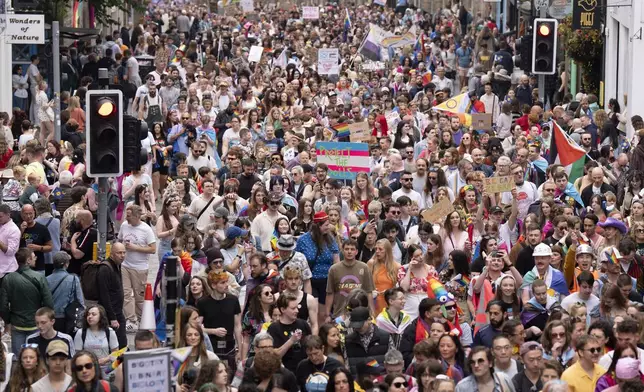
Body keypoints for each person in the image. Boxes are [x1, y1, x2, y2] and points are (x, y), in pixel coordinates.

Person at [0, 247, 54, 354]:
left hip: (17, 322)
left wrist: (8, 320)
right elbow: (48, 302)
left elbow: (3, 305)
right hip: (35, 323)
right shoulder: (39, 277)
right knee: (35, 356)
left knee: (18, 356)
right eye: (34, 257)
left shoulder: (8, 278)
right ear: (28, 260)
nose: (36, 259)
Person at [117, 204, 157, 331]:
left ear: (137, 216)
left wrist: (135, 248)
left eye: (129, 216)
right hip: (125, 265)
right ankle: (131, 319)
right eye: (126, 215)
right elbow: (120, 240)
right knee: (126, 293)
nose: (126, 218)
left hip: (140, 267)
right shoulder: (124, 225)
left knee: (140, 297)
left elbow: (153, 249)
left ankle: (141, 319)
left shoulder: (146, 230)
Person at [197, 270, 243, 371]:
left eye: (227, 281)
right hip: (210, 346)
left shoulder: (233, 300)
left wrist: (240, 349)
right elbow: (196, 327)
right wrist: (213, 331)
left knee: (230, 374)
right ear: (213, 285)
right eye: (223, 282)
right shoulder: (203, 303)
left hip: (230, 344)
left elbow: (237, 326)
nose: (227, 285)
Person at [325, 239, 375, 321]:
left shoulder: (364, 267)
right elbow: (330, 293)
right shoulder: (334, 269)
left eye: (352, 249)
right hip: (339, 313)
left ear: (356, 252)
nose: (349, 252)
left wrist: (372, 312)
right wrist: (327, 315)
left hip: (360, 312)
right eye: (347, 249)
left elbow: (369, 292)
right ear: (342, 251)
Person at [267, 292, 313, 374]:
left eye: (297, 307)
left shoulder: (303, 324)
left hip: (305, 371)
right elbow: (274, 356)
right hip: (284, 373)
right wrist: (291, 341)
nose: (297, 311)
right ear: (283, 309)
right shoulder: (274, 328)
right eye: (293, 308)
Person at [95, 242, 127, 348]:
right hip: (110, 314)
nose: (122, 255)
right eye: (119, 253)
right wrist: (112, 317)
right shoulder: (105, 269)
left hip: (118, 311)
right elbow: (104, 295)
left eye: (124, 252)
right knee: (118, 344)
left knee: (122, 343)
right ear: (112, 254)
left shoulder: (117, 265)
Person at [344, 306, 391, 376]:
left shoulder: (385, 336)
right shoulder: (348, 340)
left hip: (380, 380)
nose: (358, 328)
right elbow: (347, 365)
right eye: (355, 326)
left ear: (369, 320)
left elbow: (392, 360)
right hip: (358, 382)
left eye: (360, 325)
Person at [73, 305, 119, 374]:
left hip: (107, 370)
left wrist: (105, 359)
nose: (90, 317)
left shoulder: (109, 332)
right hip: (88, 370)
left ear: (101, 317)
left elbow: (116, 352)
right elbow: (77, 354)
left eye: (93, 314)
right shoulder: (81, 333)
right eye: (88, 314)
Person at [46, 251, 84, 334]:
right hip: (68, 317)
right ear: (66, 264)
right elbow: (80, 300)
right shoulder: (73, 279)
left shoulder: (46, 279)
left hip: (50, 317)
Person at [19, 203, 53, 274]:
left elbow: (50, 247)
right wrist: (21, 231)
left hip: (38, 266)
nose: (28, 216)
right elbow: (13, 246)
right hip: (22, 267)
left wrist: (38, 247)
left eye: (30, 213)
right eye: (26, 214)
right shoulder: (17, 228)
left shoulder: (42, 228)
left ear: (34, 213)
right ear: (22, 214)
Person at [0, 203, 20, 282]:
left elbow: (10, 251)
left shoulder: (13, 230)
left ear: (8, 215)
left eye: (0, 216)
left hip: (7, 270)